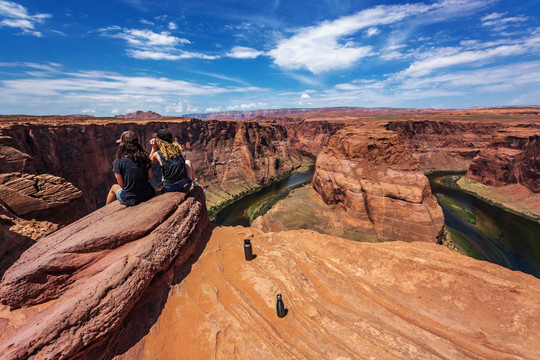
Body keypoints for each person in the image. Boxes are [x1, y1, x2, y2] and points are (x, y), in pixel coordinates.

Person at [106, 130, 155, 206]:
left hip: (131, 199)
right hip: (148, 194)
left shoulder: (118, 161)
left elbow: (122, 185)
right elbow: (150, 177)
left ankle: (107, 211)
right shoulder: (144, 157)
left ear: (122, 144)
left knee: (114, 187)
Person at [149, 129, 198, 193]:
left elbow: (150, 160)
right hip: (184, 186)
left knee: (165, 170)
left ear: (159, 141)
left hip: (169, 188)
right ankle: (195, 184)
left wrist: (153, 147)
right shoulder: (177, 149)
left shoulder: (157, 154)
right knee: (187, 162)